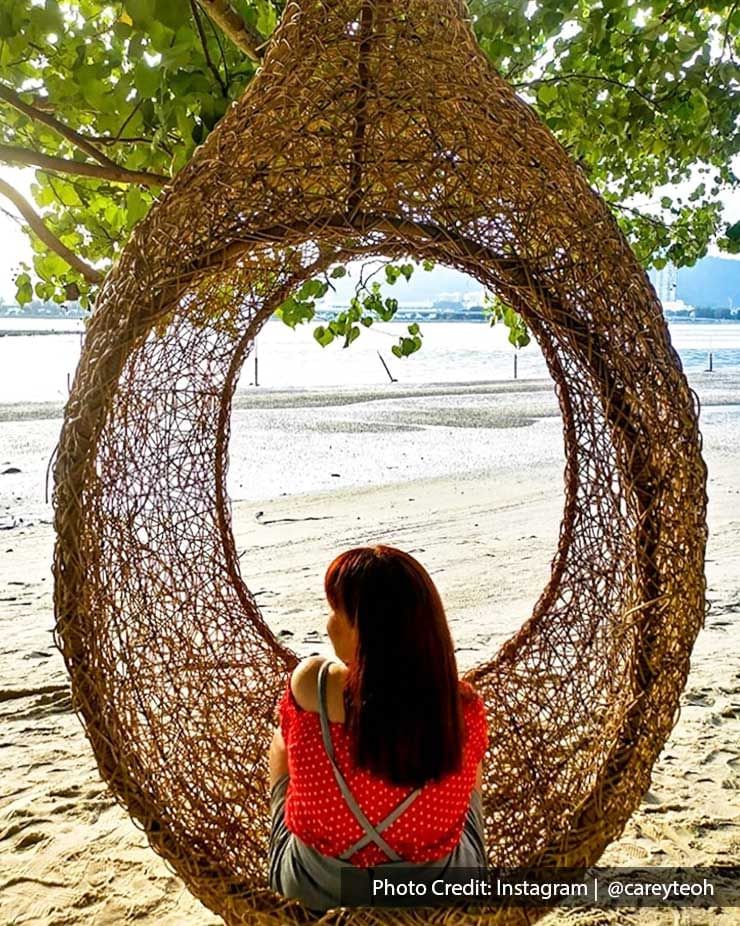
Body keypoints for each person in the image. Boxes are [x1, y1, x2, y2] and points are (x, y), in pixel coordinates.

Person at [267, 544, 488, 911]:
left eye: (336, 610)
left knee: (282, 739)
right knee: (466, 752)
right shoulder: (461, 705)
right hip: (437, 889)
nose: (328, 622)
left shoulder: (314, 685)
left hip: (319, 888)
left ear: (367, 630)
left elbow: (294, 740)